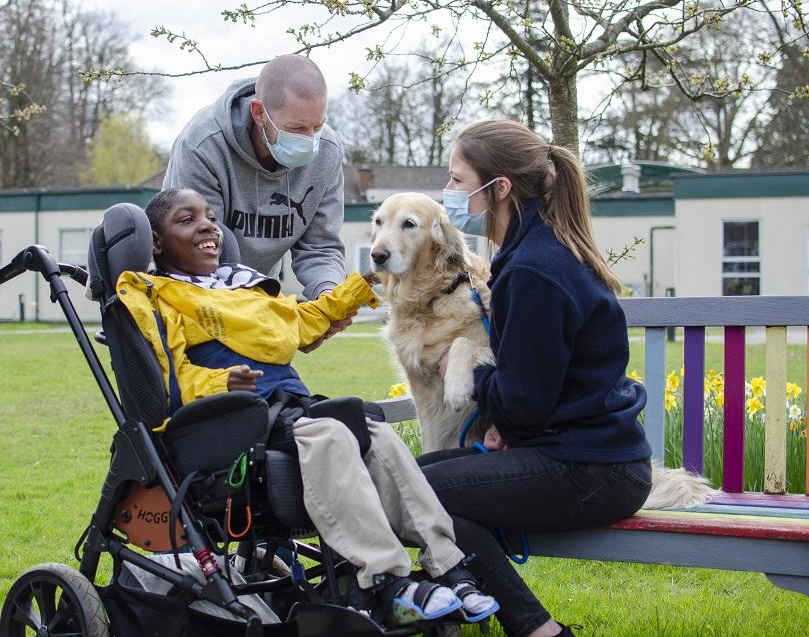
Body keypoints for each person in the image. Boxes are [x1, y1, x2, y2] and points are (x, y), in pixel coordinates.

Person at [119, 187, 499, 627]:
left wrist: (361, 285)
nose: (207, 225)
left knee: (374, 432)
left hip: (288, 407)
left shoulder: (240, 287)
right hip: (228, 418)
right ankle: (384, 580)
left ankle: (449, 566)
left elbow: (303, 321)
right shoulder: (158, 296)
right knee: (331, 433)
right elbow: (165, 380)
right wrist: (222, 380)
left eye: (208, 216)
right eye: (187, 221)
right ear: (156, 244)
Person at [418, 120, 653, 637]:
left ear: (498, 187)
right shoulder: (534, 252)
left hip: (592, 470)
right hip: (586, 455)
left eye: (458, 180)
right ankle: (468, 597)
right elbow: (537, 385)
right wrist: (505, 419)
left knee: (417, 493)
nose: (448, 194)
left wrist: (470, 384)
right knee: (410, 476)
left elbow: (524, 399)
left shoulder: (533, 269)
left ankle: (537, 629)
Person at [163, 54, 348, 351]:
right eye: (297, 129)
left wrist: (327, 295)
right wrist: (278, 318)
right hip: (196, 303)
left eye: (319, 125)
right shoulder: (202, 145)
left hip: (259, 297)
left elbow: (321, 246)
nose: (310, 141)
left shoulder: (327, 151)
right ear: (259, 113)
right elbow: (200, 255)